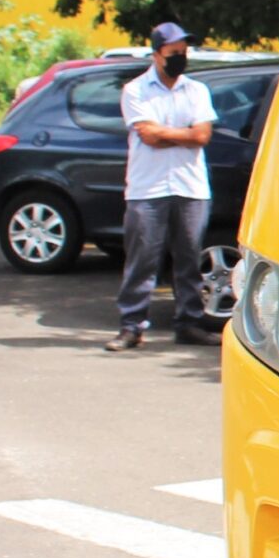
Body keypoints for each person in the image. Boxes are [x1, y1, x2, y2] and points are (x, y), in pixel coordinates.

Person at [104, 23, 218, 352]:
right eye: (173, 53)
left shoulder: (197, 91)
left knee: (188, 261)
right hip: (147, 189)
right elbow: (148, 137)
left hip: (191, 188)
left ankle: (190, 324)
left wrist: (167, 134)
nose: (180, 58)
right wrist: (182, 134)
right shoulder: (136, 91)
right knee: (142, 261)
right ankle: (131, 326)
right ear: (156, 55)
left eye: (184, 52)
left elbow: (202, 136)